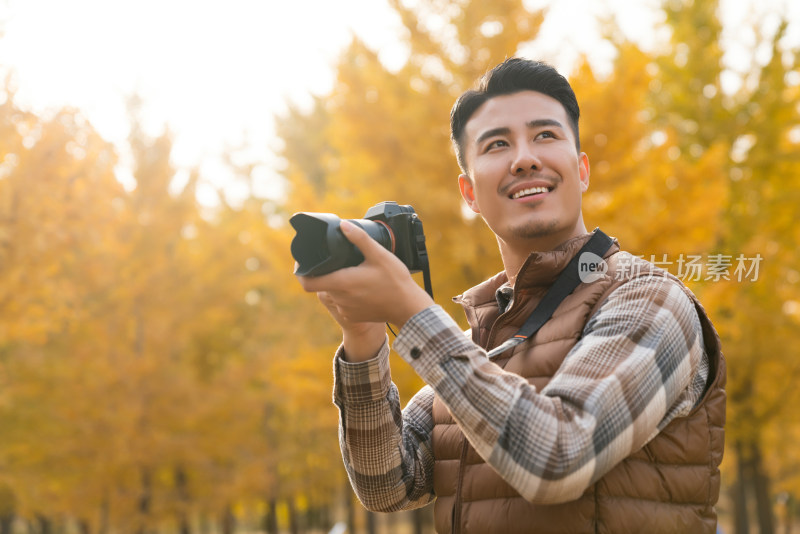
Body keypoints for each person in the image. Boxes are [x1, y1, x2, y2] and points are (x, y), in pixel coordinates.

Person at [296, 58, 726, 534]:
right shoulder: (479, 342)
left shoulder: (649, 299)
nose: (524, 158)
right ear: (469, 193)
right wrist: (364, 336)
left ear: (581, 170)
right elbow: (387, 484)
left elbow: (560, 456)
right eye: (497, 144)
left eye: (545, 136)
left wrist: (410, 309)